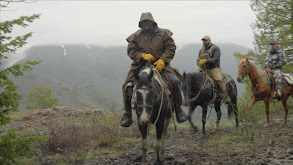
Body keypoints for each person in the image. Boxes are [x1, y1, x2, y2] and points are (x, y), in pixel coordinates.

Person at [120, 12, 187, 127]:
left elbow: (171, 47)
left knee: (174, 81)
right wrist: (142, 56)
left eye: (148, 21)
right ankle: (127, 113)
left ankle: (178, 108)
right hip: (140, 65)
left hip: (160, 65)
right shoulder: (135, 36)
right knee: (127, 85)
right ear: (141, 24)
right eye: (144, 22)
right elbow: (131, 51)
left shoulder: (164, 33)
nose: (146, 24)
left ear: (152, 22)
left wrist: (162, 60)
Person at [197, 35, 231, 102]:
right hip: (204, 69)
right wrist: (199, 63)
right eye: (203, 40)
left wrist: (206, 61)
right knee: (195, 78)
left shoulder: (215, 48)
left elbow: (216, 59)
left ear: (209, 41)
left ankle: (226, 96)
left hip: (214, 68)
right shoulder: (201, 50)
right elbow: (198, 60)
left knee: (219, 79)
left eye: (206, 40)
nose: (204, 42)